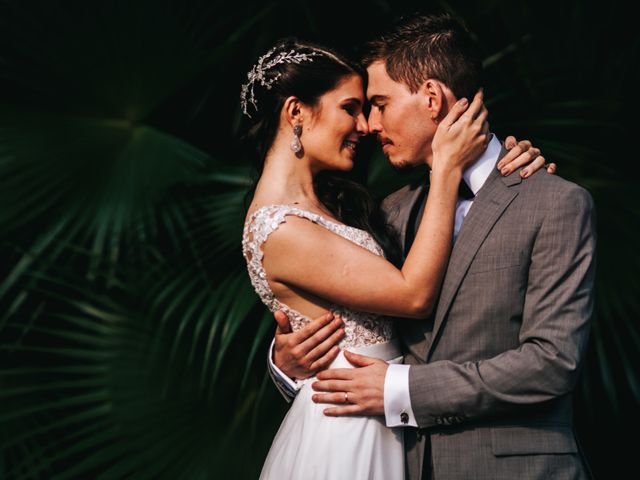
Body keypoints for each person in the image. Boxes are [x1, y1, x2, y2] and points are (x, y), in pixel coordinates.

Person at [268, 14, 596, 480]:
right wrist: (286, 363)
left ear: (431, 97)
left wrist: (400, 390)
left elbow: (551, 363)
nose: (370, 124)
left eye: (380, 103)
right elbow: (363, 326)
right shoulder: (391, 212)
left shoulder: (554, 202)